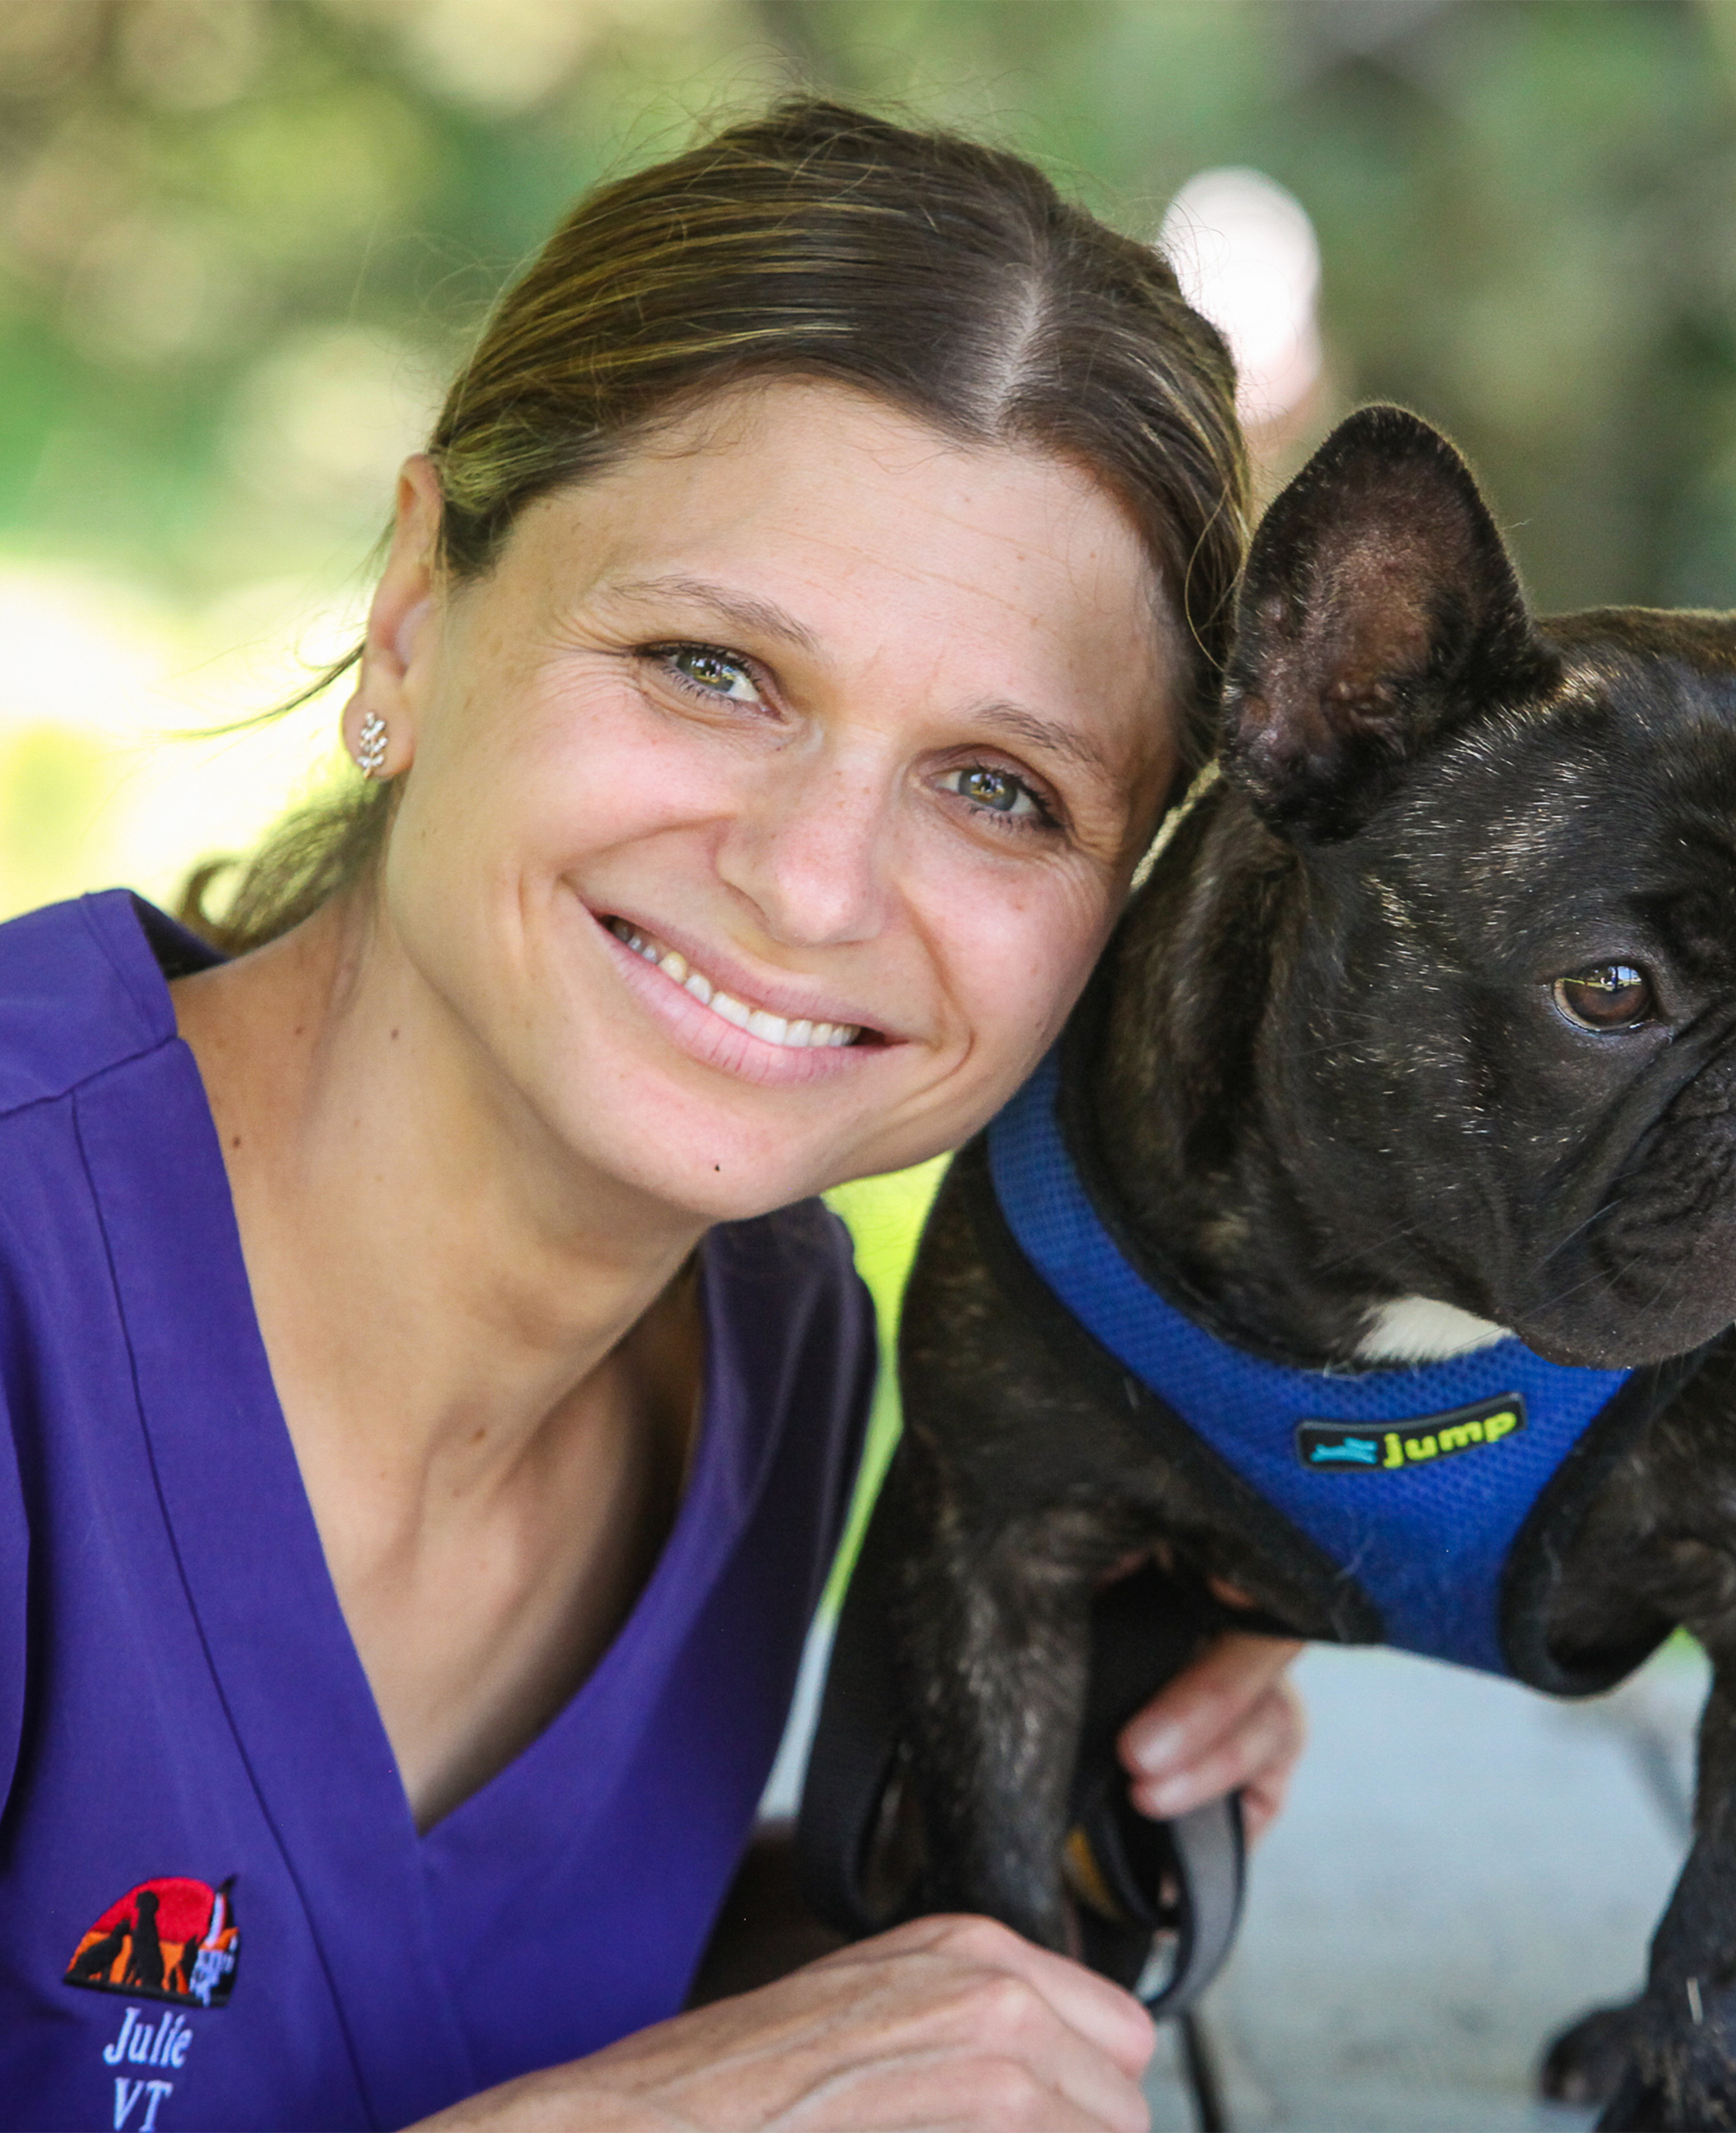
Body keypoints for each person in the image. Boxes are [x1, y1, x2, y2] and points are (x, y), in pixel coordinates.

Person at [0, 100, 1306, 2131]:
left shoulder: (775, 1350)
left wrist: (1021, 1832)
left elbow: (439, 2010)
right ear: (419, 610)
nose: (812, 884)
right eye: (712, 667)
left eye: (999, 789)